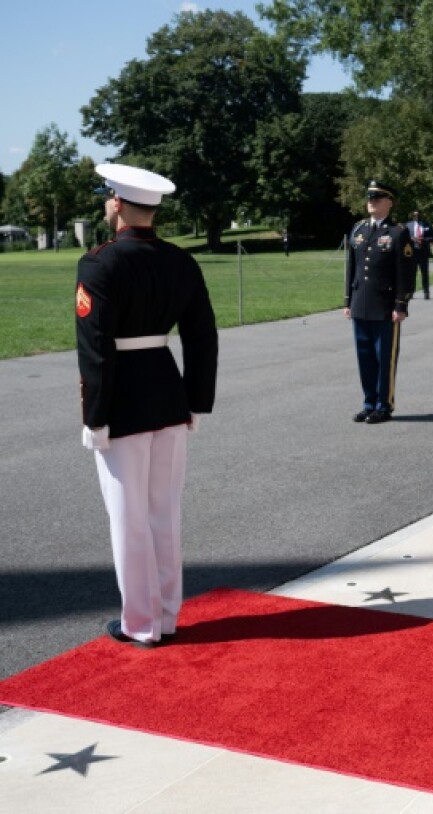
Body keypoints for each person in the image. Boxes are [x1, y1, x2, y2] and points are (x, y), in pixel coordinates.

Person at [76, 163, 218, 649]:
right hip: (168, 393)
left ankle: (140, 623)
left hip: (122, 403)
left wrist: (95, 415)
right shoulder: (181, 261)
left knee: (127, 516)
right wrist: (196, 401)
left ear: (117, 203)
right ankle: (167, 615)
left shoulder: (100, 263)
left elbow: (95, 349)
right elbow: (202, 339)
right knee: (164, 511)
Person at [344, 179, 417, 424]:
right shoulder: (358, 229)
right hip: (360, 303)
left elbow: (405, 272)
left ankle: (383, 405)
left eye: (377, 198)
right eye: (369, 198)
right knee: (364, 356)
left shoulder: (398, 232)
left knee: (384, 357)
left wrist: (401, 304)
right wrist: (347, 301)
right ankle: (368, 402)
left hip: (386, 307)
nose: (371, 202)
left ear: (389, 203)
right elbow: (351, 268)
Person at [405, 210, 433, 299]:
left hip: (423, 252)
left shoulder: (427, 224)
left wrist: (424, 240)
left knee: (424, 273)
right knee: (412, 273)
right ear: (412, 216)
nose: (416, 216)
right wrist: (412, 239)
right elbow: (404, 238)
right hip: (412, 252)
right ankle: (411, 292)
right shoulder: (408, 225)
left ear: (420, 215)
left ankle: (426, 292)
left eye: (418, 215)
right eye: (415, 215)